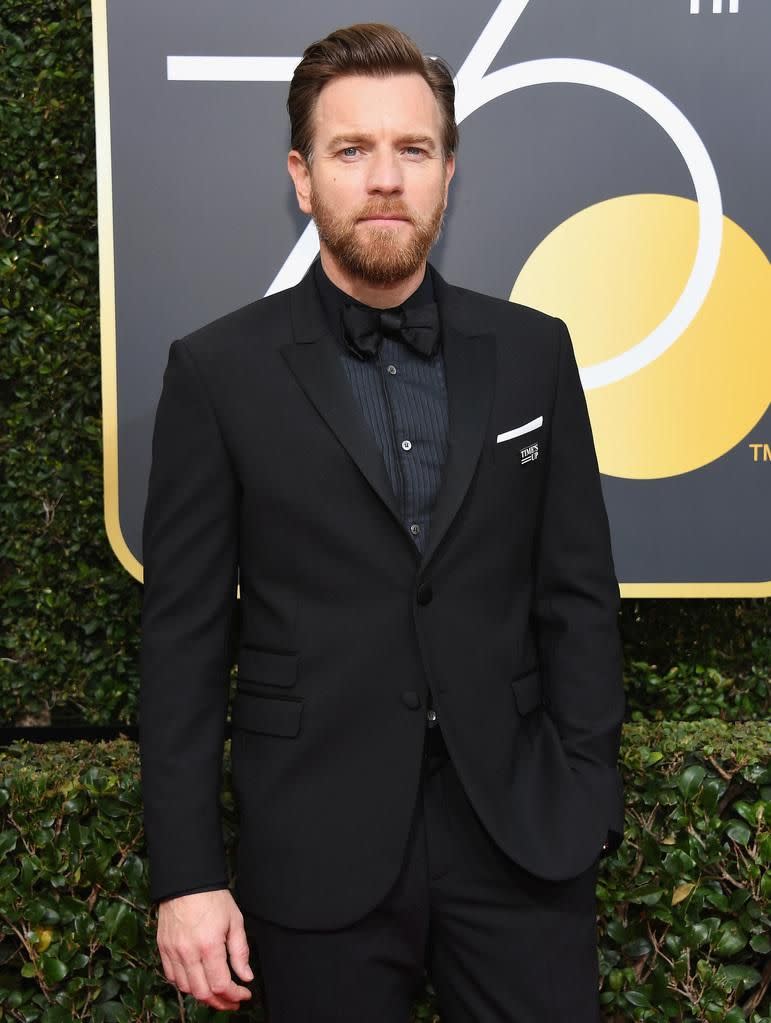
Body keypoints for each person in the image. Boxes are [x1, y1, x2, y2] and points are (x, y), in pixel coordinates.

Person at [139, 22, 625, 1023]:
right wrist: (186, 877)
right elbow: (183, 640)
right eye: (350, 150)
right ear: (302, 176)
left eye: (413, 149)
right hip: (314, 846)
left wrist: (585, 790)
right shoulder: (217, 372)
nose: (386, 178)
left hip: (519, 835)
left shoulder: (534, 352)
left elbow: (576, 592)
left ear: (449, 170)